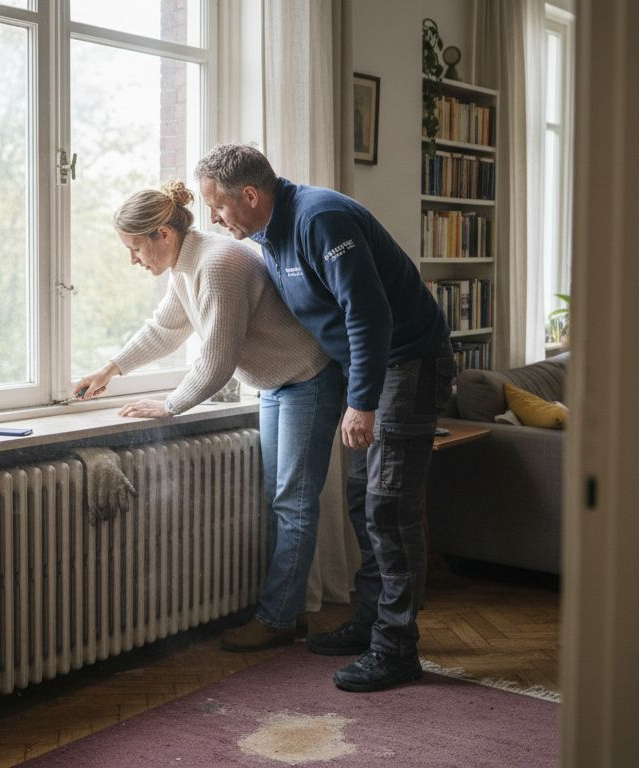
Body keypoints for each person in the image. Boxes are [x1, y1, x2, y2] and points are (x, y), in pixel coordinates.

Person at [194, 144, 456, 692]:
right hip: (372, 368)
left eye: (217, 206)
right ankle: (368, 621)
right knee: (364, 501)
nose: (214, 219)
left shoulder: (319, 218)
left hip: (408, 361)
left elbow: (369, 313)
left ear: (249, 194)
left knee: (389, 508)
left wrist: (361, 400)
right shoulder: (266, 231)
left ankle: (396, 648)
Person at [74, 181, 344, 652]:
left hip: (308, 379)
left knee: (293, 504)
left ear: (162, 233)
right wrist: (111, 369)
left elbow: (217, 360)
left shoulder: (218, 265)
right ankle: (288, 611)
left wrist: (171, 405)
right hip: (277, 384)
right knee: (282, 500)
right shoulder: (187, 264)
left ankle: (278, 618)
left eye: (135, 248)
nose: (133, 261)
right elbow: (164, 328)